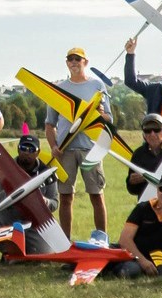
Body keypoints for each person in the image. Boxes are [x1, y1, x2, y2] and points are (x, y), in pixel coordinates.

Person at [44, 47, 111, 243]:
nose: (74, 62)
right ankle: (65, 240)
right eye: (70, 59)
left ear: (85, 62)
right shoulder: (59, 88)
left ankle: (102, 238)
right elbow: (50, 123)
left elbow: (109, 118)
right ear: (67, 63)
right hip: (66, 149)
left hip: (90, 148)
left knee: (96, 194)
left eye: (78, 59)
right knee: (65, 196)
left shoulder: (97, 85)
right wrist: (53, 145)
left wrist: (98, 112)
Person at [122, 114, 162, 199]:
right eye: (148, 130)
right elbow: (132, 190)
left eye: (156, 129)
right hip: (147, 203)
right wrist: (132, 182)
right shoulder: (138, 154)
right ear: (144, 135)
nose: (152, 134)